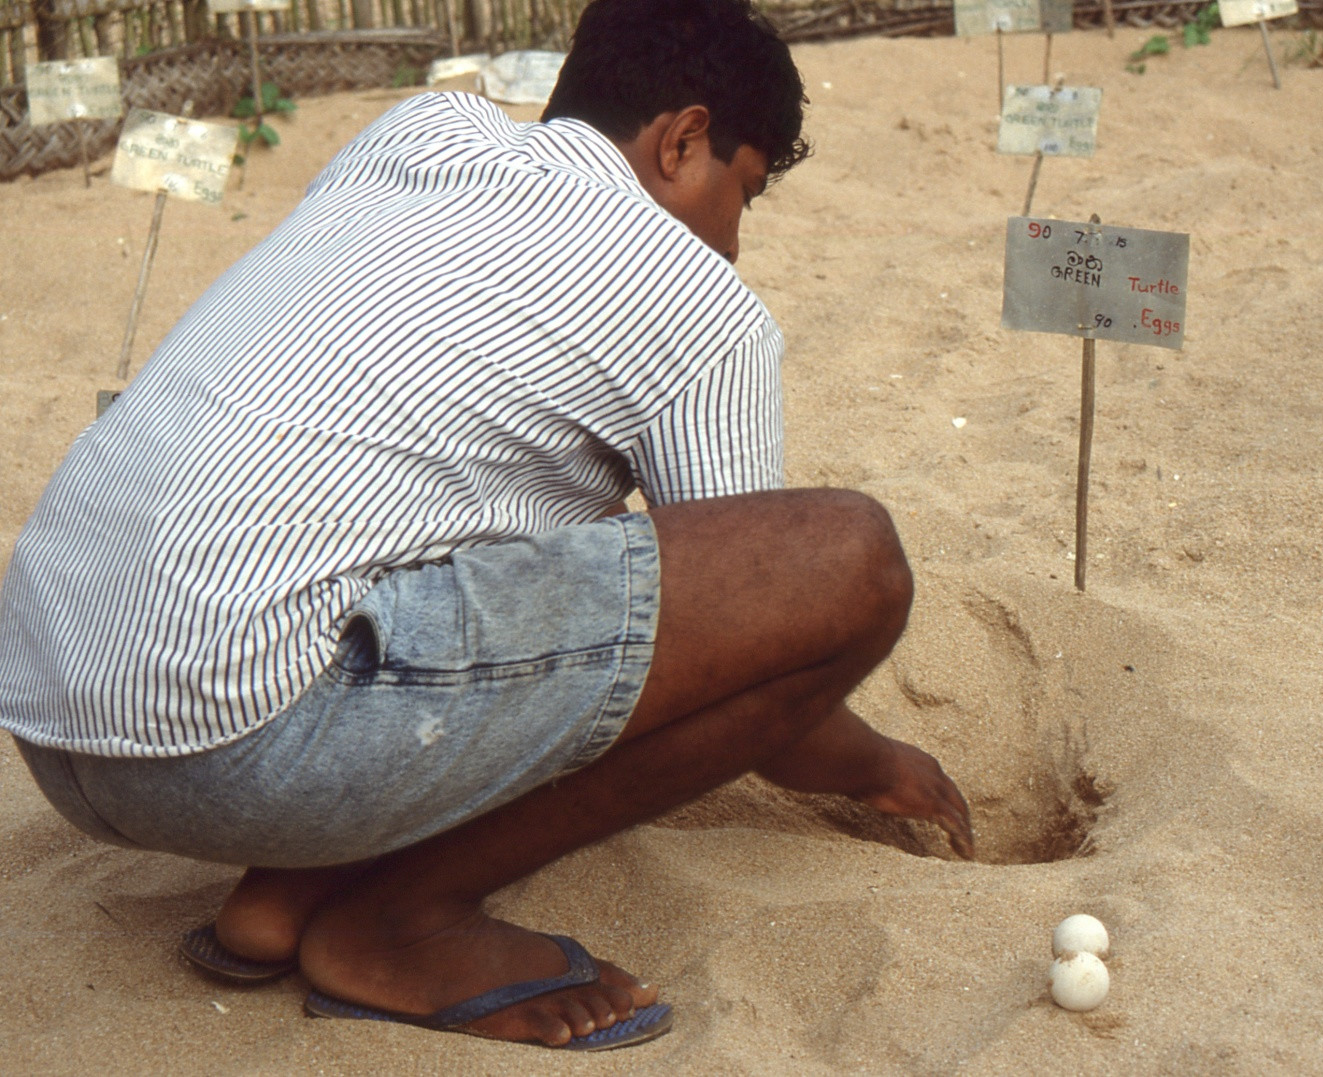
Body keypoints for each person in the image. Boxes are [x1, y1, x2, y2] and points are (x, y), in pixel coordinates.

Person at [0, 0, 972, 1053]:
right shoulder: (699, 301)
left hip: (52, 711)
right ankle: (398, 918)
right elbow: (752, 639)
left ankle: (289, 891)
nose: (733, 238)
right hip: (236, 742)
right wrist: (870, 759)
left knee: (508, 499)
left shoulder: (418, 133)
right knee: (848, 564)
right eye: (741, 191)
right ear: (681, 139)